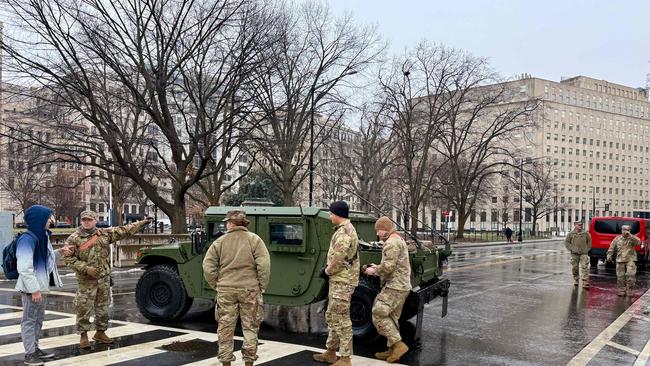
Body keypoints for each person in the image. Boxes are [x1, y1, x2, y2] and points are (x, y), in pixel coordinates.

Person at [63, 211, 151, 349]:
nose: (86, 222)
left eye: (89, 219)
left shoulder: (104, 234)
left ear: (96, 220)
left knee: (102, 308)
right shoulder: (74, 238)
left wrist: (141, 223)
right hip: (86, 280)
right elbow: (68, 259)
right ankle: (83, 335)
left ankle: (100, 332)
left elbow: (124, 231)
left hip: (103, 278)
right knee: (84, 308)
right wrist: (86, 268)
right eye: (84, 220)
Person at [202, 210, 270, 366]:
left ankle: (226, 362)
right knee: (250, 327)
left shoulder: (220, 242)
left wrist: (216, 284)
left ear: (230, 223)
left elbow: (208, 266)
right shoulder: (255, 240)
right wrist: (261, 285)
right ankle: (249, 362)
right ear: (243, 223)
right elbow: (264, 265)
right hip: (250, 290)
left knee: (225, 328)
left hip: (226, 290)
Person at [16, 205, 72, 366]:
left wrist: (60, 252)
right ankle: (29, 355)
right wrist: (34, 289)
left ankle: (35, 349)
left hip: (41, 287)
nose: (52, 220)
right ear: (39, 219)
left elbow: (46, 260)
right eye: (49, 217)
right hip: (32, 289)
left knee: (38, 320)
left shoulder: (42, 237)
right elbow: (24, 268)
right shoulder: (27, 239)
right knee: (29, 320)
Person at [313, 201, 359, 366]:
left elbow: (338, 259)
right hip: (339, 280)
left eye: (331, 213)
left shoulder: (344, 232)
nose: (330, 216)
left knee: (341, 319)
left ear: (337, 213)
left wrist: (326, 271)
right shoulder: (344, 230)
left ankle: (345, 358)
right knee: (333, 316)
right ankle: (331, 352)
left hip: (342, 281)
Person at [364, 216, 411, 363]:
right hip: (401, 286)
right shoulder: (398, 239)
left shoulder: (391, 243)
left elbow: (388, 267)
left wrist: (374, 271)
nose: (377, 233)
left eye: (379, 230)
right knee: (391, 317)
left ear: (386, 229)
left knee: (379, 312)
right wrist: (377, 266)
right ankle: (391, 349)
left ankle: (398, 345)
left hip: (395, 286)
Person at [607, 224, 640, 296]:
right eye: (624, 229)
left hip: (630, 258)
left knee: (631, 274)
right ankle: (621, 289)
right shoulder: (617, 239)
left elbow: (638, 242)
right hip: (620, 259)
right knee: (620, 276)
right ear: (621, 230)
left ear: (629, 231)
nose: (625, 231)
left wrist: (630, 235)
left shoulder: (632, 238)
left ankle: (630, 289)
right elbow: (612, 247)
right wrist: (609, 255)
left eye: (627, 230)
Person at [564, 221, 592, 289]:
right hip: (574, 254)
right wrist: (571, 248)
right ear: (575, 225)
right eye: (579, 225)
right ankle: (576, 279)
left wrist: (587, 249)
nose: (580, 226)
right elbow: (567, 242)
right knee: (575, 267)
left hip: (584, 253)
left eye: (581, 225)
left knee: (585, 267)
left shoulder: (585, 233)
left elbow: (589, 241)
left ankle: (585, 282)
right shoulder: (571, 234)